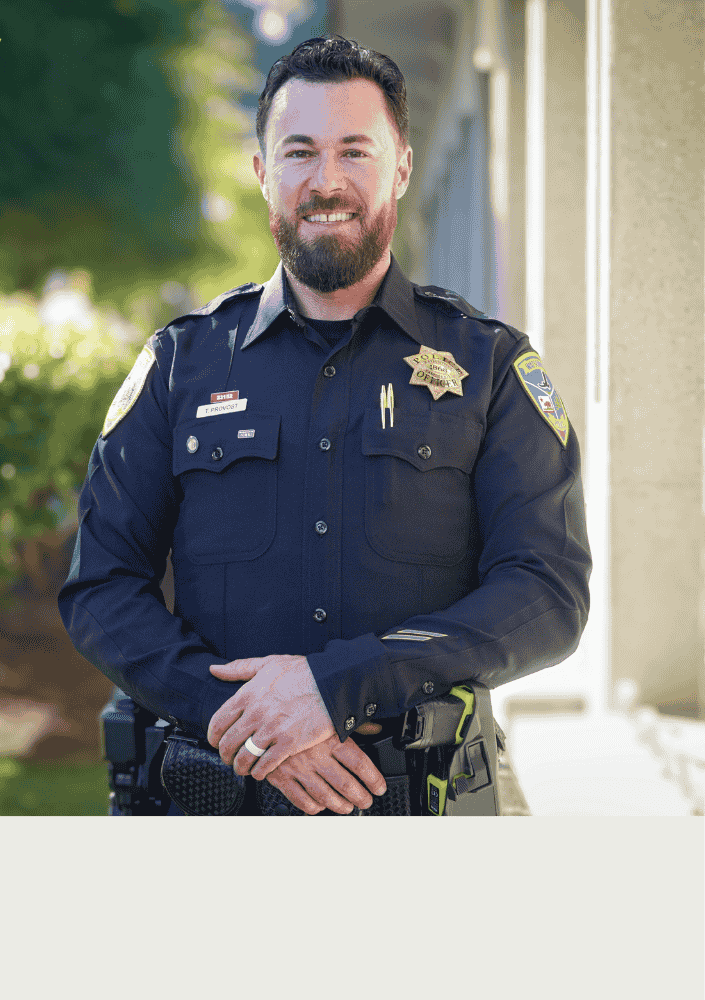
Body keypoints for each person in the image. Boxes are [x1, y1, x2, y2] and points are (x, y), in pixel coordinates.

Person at [58, 35, 591, 816]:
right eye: (299, 151)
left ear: (401, 166)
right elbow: (101, 587)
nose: (326, 180)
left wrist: (336, 685)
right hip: (216, 806)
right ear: (262, 172)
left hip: (421, 811)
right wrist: (245, 722)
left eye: (355, 151)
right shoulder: (181, 364)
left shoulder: (488, 366)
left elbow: (545, 590)